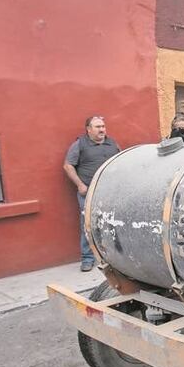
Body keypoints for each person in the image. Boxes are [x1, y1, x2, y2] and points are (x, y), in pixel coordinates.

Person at [64, 115, 121, 271]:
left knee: (112, 223)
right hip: (88, 192)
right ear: (88, 129)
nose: (102, 129)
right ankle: (87, 259)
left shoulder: (112, 144)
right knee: (88, 225)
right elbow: (68, 166)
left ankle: (114, 257)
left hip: (110, 192)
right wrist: (80, 185)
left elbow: (121, 163)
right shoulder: (79, 144)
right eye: (97, 127)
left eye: (103, 126)